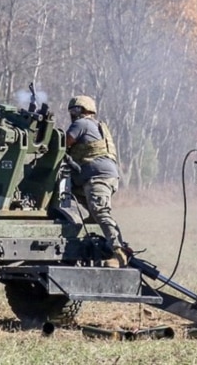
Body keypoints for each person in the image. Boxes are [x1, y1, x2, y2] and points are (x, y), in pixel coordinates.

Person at [65, 95, 129, 268]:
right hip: (102, 177)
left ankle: (119, 252)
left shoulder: (81, 124)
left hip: (97, 177)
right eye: (71, 110)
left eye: (75, 110)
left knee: (100, 211)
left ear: (86, 111)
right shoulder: (97, 126)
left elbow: (62, 144)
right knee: (76, 206)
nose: (72, 114)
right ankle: (95, 245)